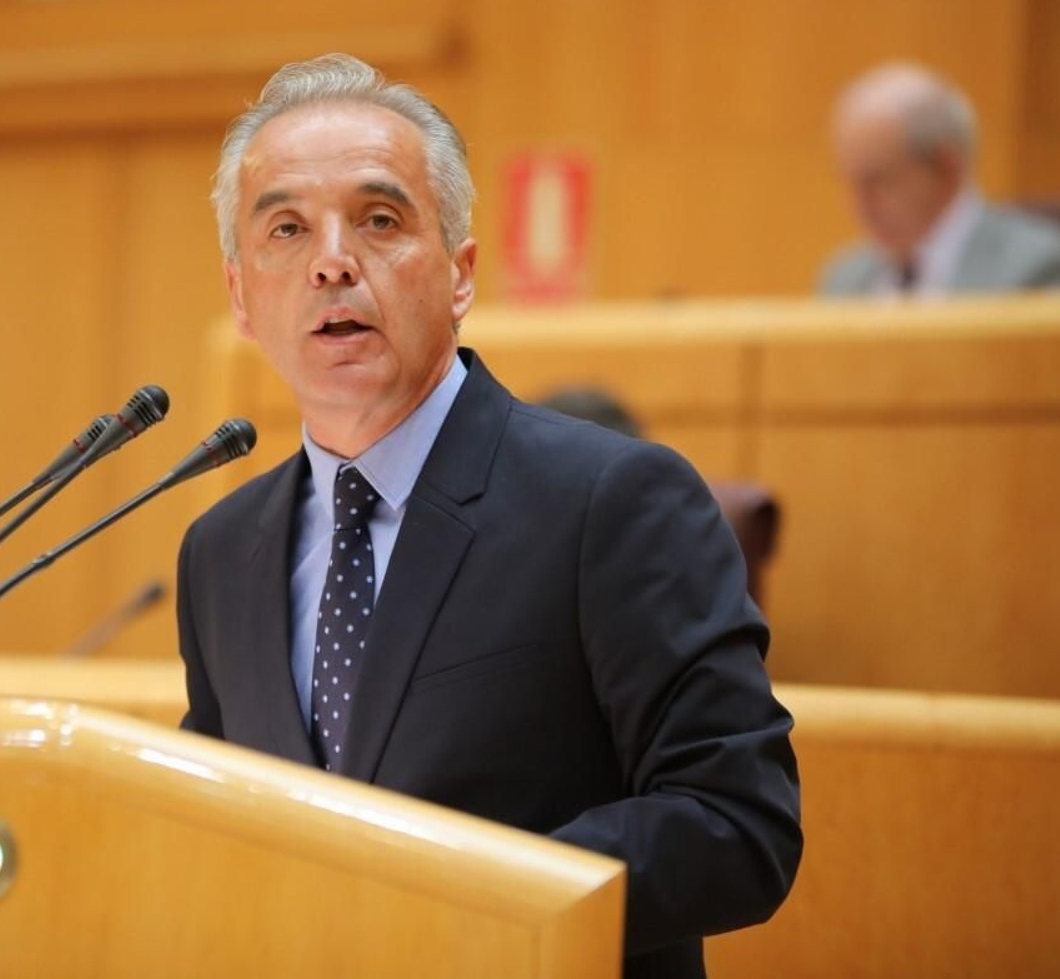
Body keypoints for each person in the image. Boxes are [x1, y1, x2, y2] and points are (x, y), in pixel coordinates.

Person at [177, 54, 801, 978]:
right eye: (287, 229)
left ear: (460, 275)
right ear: (240, 295)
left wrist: (463, 913)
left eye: (379, 220)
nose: (333, 261)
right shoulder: (222, 550)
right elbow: (217, 833)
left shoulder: (612, 500)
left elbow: (737, 821)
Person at [819, 62, 1060, 297]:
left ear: (946, 166)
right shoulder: (845, 279)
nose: (860, 205)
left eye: (878, 181)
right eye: (852, 184)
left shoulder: (1041, 268)